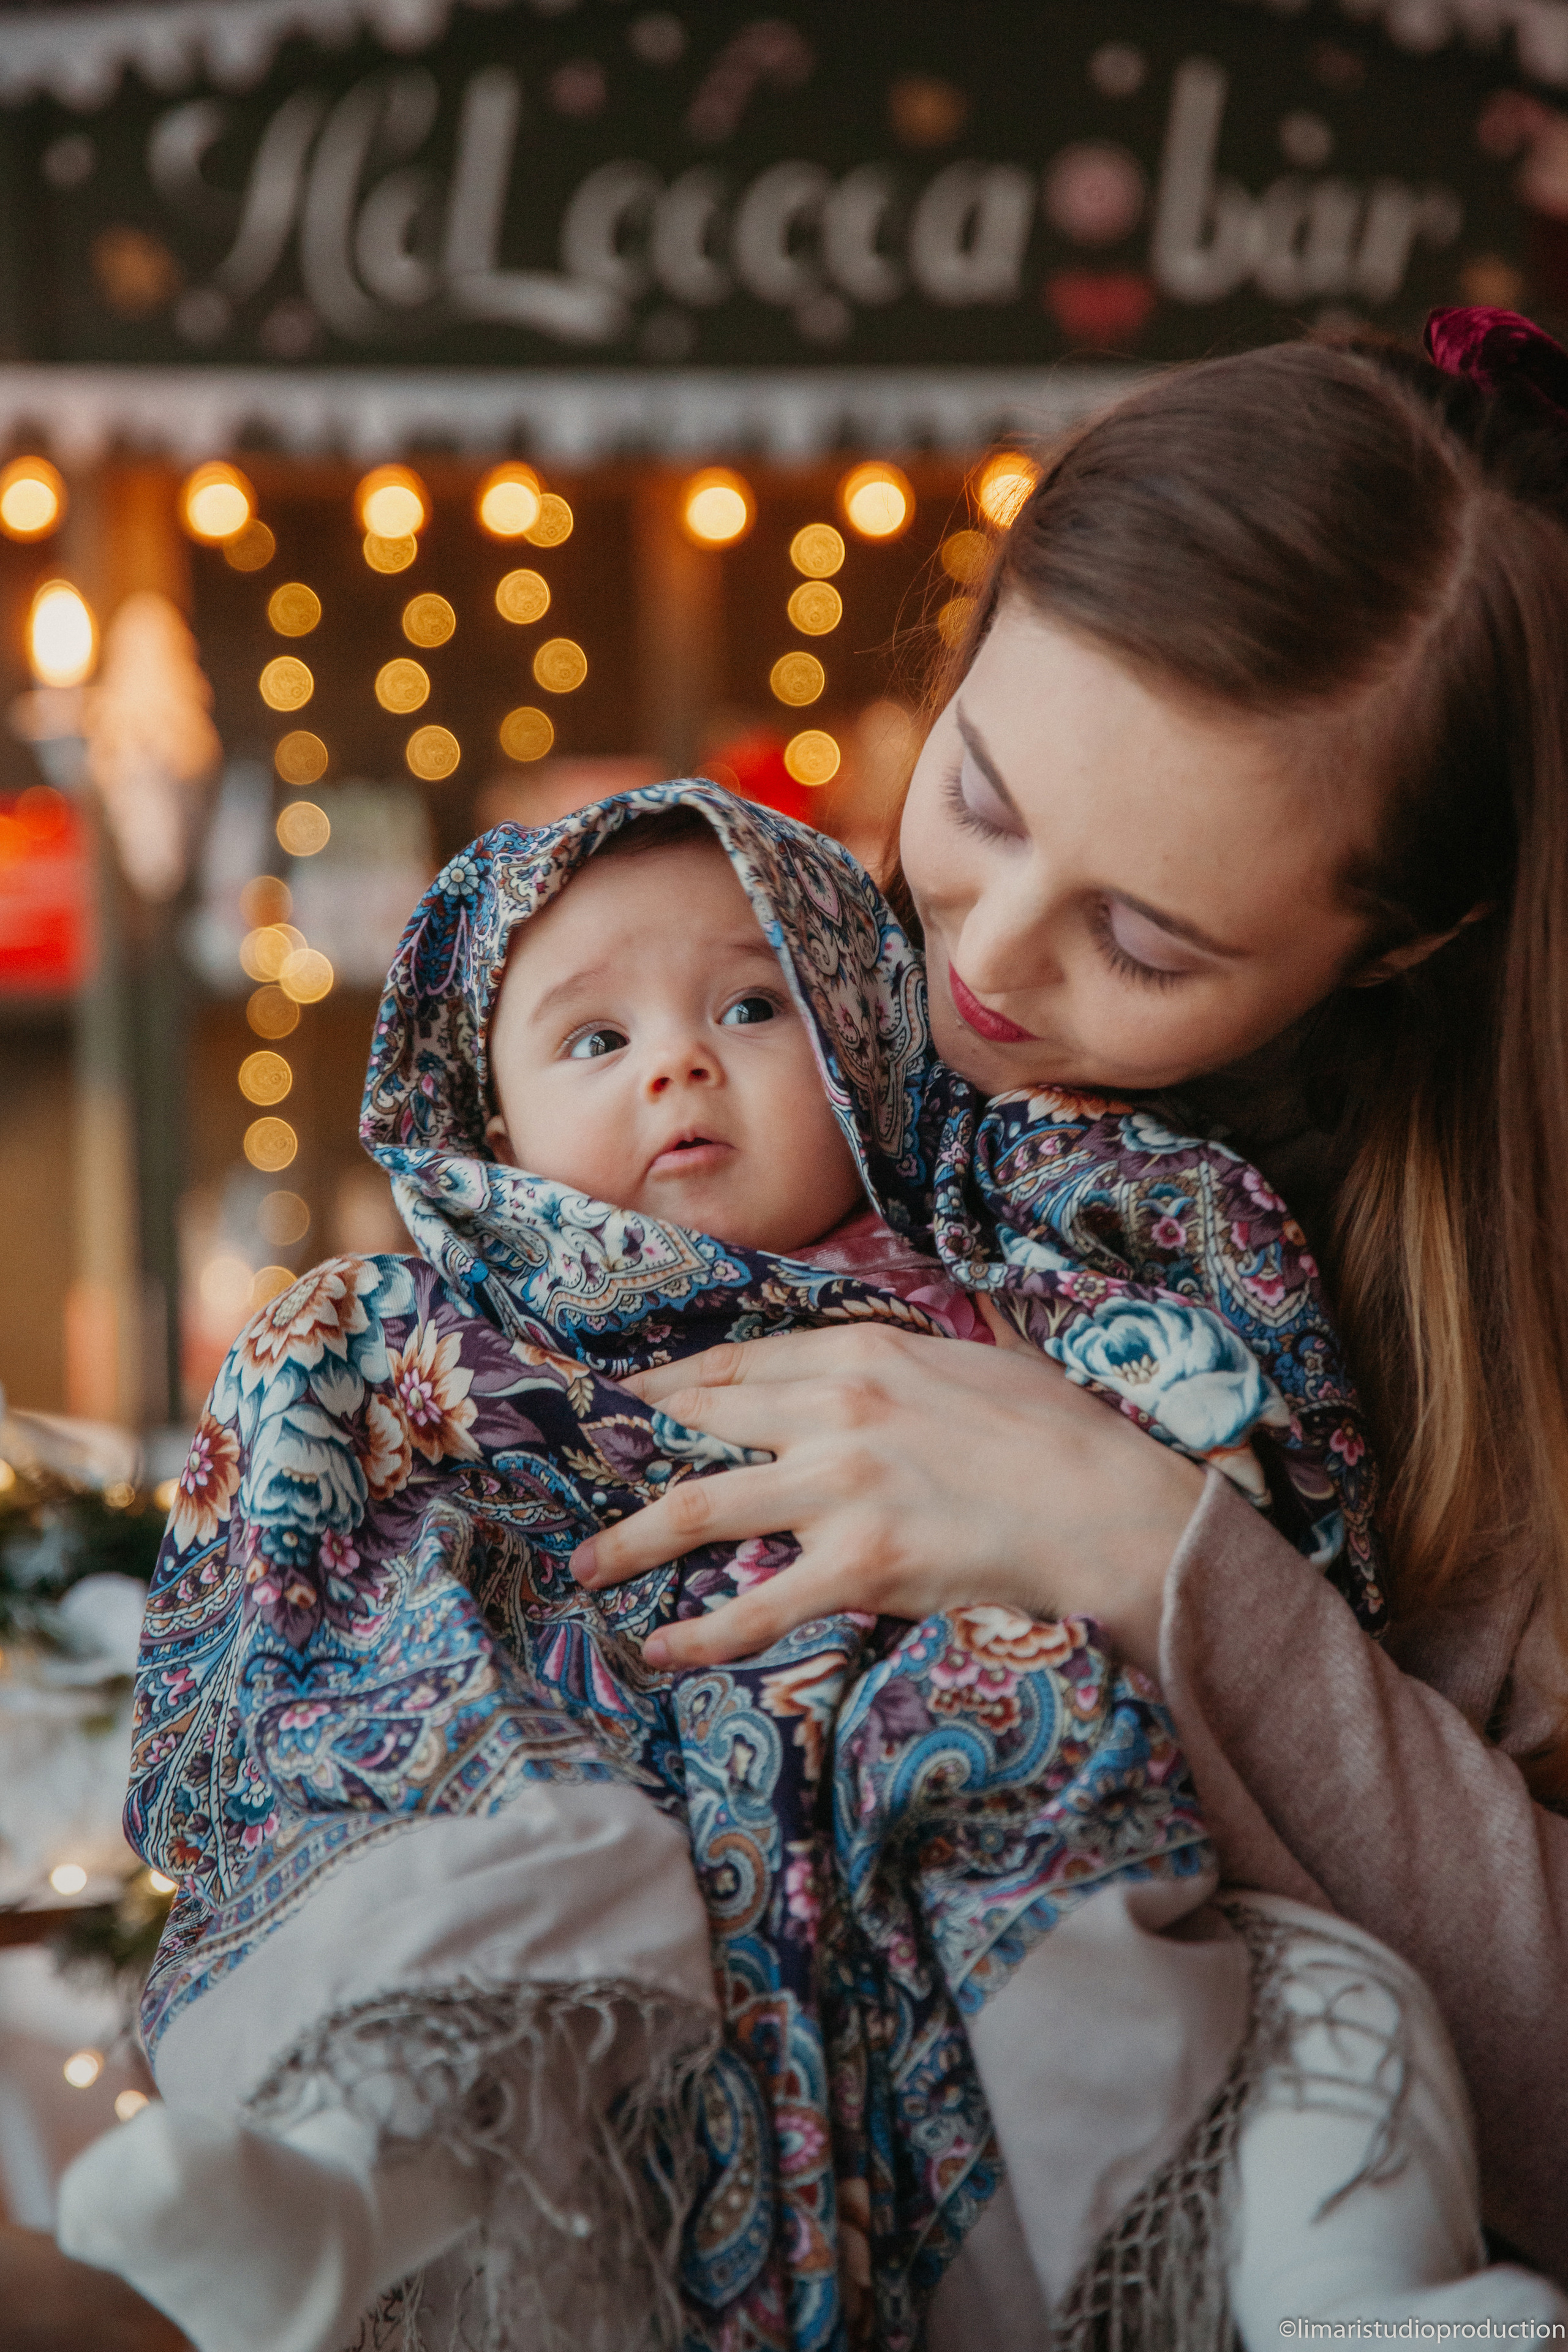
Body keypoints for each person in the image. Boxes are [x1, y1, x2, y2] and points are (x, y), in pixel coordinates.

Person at [61, 785, 1560, 2348]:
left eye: (751, 1003)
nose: (677, 1061)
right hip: (616, 1810)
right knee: (461, 1919)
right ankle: (329, 2190)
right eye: (594, 1040)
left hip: (989, 1819)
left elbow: (1216, 1428)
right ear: (487, 1135)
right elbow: (317, 1551)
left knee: (1330, 2002)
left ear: (855, 1033)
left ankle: (1351, 2293)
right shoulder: (454, 1342)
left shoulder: (981, 1264)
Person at [565, 310, 1568, 2294]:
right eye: (990, 803)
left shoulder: (1505, 1357)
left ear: (1409, 942)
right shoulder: (776, 1067)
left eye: (1147, 936)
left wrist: (1148, 1546)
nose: (991, 962)